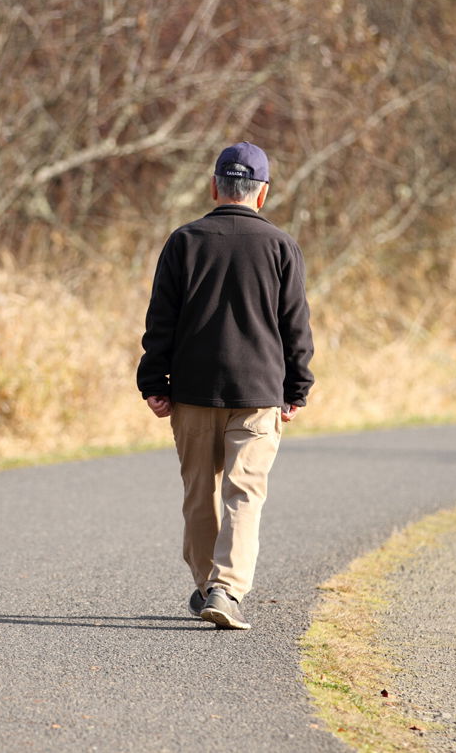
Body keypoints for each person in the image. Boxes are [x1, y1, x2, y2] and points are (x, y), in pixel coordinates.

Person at [137, 141, 314, 630]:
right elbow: (295, 326)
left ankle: (205, 587)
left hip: (192, 392)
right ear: (262, 194)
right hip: (258, 393)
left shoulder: (184, 241)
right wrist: (296, 388)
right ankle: (227, 589)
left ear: (215, 186)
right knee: (244, 494)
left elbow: (161, 322)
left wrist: (154, 381)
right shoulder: (281, 246)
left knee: (198, 492)